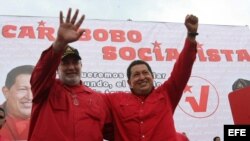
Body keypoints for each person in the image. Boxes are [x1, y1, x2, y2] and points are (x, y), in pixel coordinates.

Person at [103, 14, 198, 141]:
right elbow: (87, 99)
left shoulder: (167, 94)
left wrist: (191, 35)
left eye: (145, 73)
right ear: (129, 82)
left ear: (152, 77)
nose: (142, 77)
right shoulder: (114, 100)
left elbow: (183, 68)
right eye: (136, 75)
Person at [28, 8, 112, 141]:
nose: (71, 67)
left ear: (81, 66)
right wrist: (59, 43)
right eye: (65, 63)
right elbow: (43, 69)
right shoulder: (44, 89)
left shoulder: (98, 99)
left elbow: (118, 132)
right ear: (57, 68)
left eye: (75, 62)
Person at [0, 65, 34, 141]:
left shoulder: (53, 121)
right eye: (22, 89)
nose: (30, 97)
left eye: (35, 89)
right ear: (6, 92)